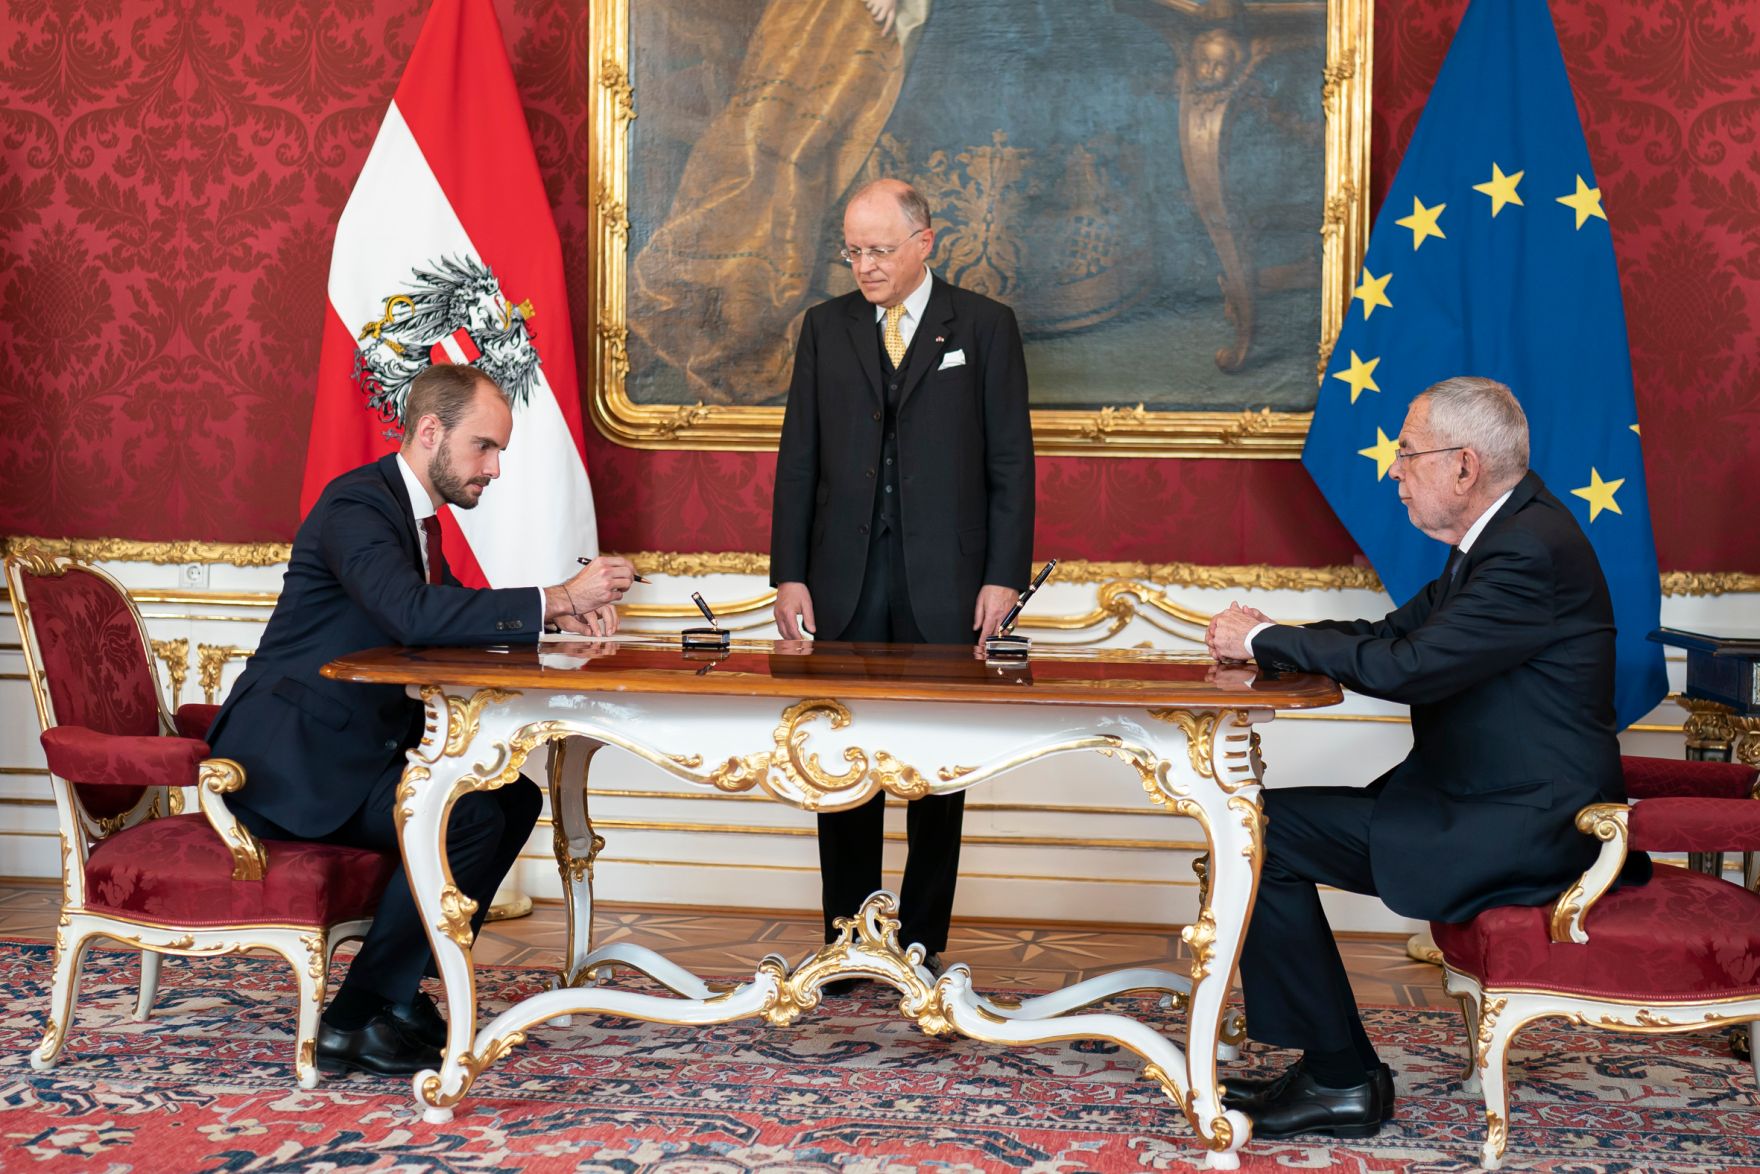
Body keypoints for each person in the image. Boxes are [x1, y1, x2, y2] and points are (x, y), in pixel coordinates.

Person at [1205, 376, 1646, 1139]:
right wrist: (1270, 637)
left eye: (1408, 454)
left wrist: (1262, 641)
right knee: (1255, 827)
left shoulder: (1526, 553)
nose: (1394, 470)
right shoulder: (1506, 537)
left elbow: (1408, 667)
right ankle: (1337, 1071)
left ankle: (1340, 1079)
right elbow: (1392, 635)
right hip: (1480, 799)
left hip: (1518, 823)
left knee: (1255, 834)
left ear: (1464, 467)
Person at [206, 364, 634, 1076]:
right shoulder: (355, 507)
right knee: (465, 818)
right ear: (430, 432)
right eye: (485, 448)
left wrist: (564, 624)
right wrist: (559, 594)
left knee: (515, 797)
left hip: (354, 753)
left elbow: (456, 616)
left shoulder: (413, 522)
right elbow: (411, 613)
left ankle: (395, 1000)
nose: (495, 469)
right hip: (291, 763)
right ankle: (353, 1018)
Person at [770, 178, 1034, 978]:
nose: (864, 266)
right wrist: (789, 575)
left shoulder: (984, 327)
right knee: (840, 763)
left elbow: (1009, 463)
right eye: (852, 251)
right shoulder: (827, 328)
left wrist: (1003, 577)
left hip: (946, 582)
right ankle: (849, 941)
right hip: (842, 578)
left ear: (925, 241)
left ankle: (920, 945)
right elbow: (799, 459)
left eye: (879, 250)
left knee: (935, 771)